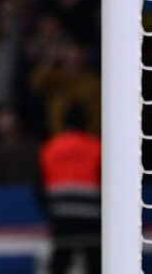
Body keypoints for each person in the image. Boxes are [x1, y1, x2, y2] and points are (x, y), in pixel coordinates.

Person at [39, 105, 101, 274]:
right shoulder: (96, 147)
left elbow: (39, 186)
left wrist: (50, 210)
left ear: (64, 122)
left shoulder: (50, 148)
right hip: (92, 217)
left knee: (60, 262)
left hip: (61, 216)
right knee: (95, 263)